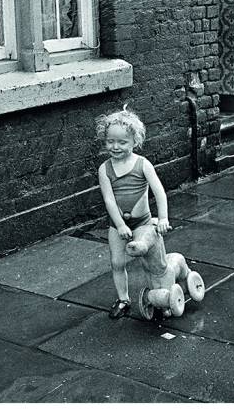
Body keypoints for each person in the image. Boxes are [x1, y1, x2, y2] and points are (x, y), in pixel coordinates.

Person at [96, 106, 169, 320]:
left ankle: (157, 295)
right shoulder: (104, 169)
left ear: (134, 141)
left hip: (144, 222)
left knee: (151, 261)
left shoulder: (142, 164)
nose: (115, 147)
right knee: (117, 262)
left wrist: (163, 218)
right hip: (117, 224)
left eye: (122, 142)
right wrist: (119, 225)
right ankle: (123, 299)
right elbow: (109, 199)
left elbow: (159, 192)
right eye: (110, 141)